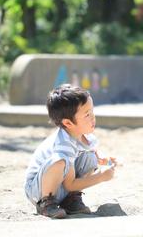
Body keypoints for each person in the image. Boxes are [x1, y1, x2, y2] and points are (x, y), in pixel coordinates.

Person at [24, 84, 117, 218]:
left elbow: (93, 151)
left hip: (60, 186)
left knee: (90, 156)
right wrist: (101, 177)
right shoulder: (64, 145)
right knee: (60, 161)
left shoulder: (83, 135)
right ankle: (46, 204)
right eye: (87, 114)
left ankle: (70, 200)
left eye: (92, 111)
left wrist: (105, 160)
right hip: (38, 190)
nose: (93, 118)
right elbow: (70, 184)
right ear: (68, 123)